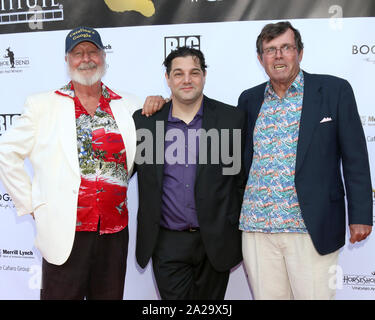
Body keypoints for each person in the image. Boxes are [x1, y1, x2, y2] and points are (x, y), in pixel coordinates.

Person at [0, 26, 141, 299]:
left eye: (92, 52)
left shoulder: (129, 105)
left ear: (103, 56)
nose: (85, 58)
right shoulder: (43, 105)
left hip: (113, 233)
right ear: (67, 60)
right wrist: (29, 203)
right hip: (64, 233)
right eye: (77, 53)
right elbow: (6, 151)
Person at [238, 21, 373, 300]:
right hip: (257, 229)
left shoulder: (334, 91)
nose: (278, 56)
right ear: (261, 58)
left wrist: (360, 215)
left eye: (286, 48)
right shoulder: (249, 100)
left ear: (299, 52)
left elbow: (355, 157)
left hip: (311, 228)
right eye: (270, 50)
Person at [133, 46, 246, 299]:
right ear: (167, 79)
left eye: (194, 73)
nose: (186, 80)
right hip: (167, 242)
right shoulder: (146, 122)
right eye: (178, 73)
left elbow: (240, 181)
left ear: (204, 75)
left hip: (215, 241)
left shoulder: (232, 119)